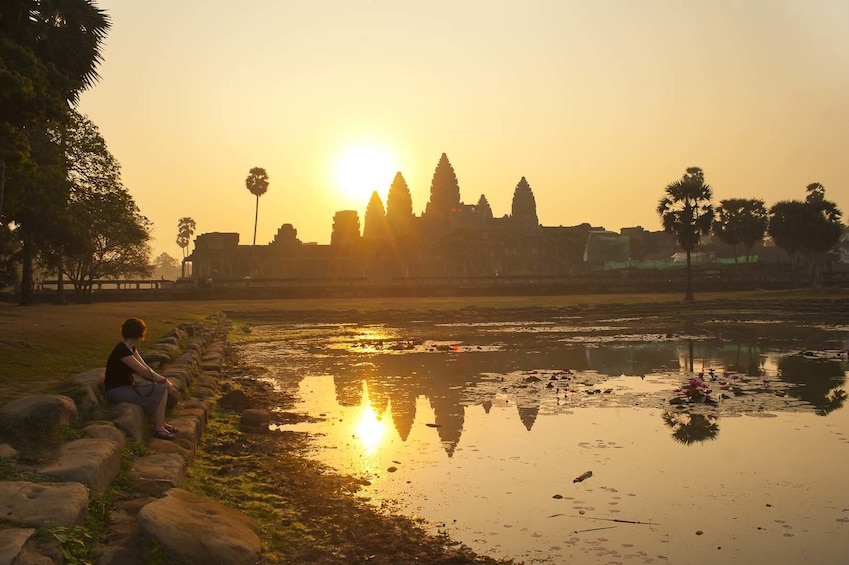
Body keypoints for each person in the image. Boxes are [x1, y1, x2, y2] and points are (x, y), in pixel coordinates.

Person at [104, 317, 178, 440]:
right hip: (116, 392)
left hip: (125, 388)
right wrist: (165, 381)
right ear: (139, 333)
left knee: (161, 387)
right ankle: (159, 428)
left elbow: (146, 367)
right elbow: (143, 372)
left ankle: (162, 424)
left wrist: (162, 380)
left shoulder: (130, 348)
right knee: (161, 389)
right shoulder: (122, 350)